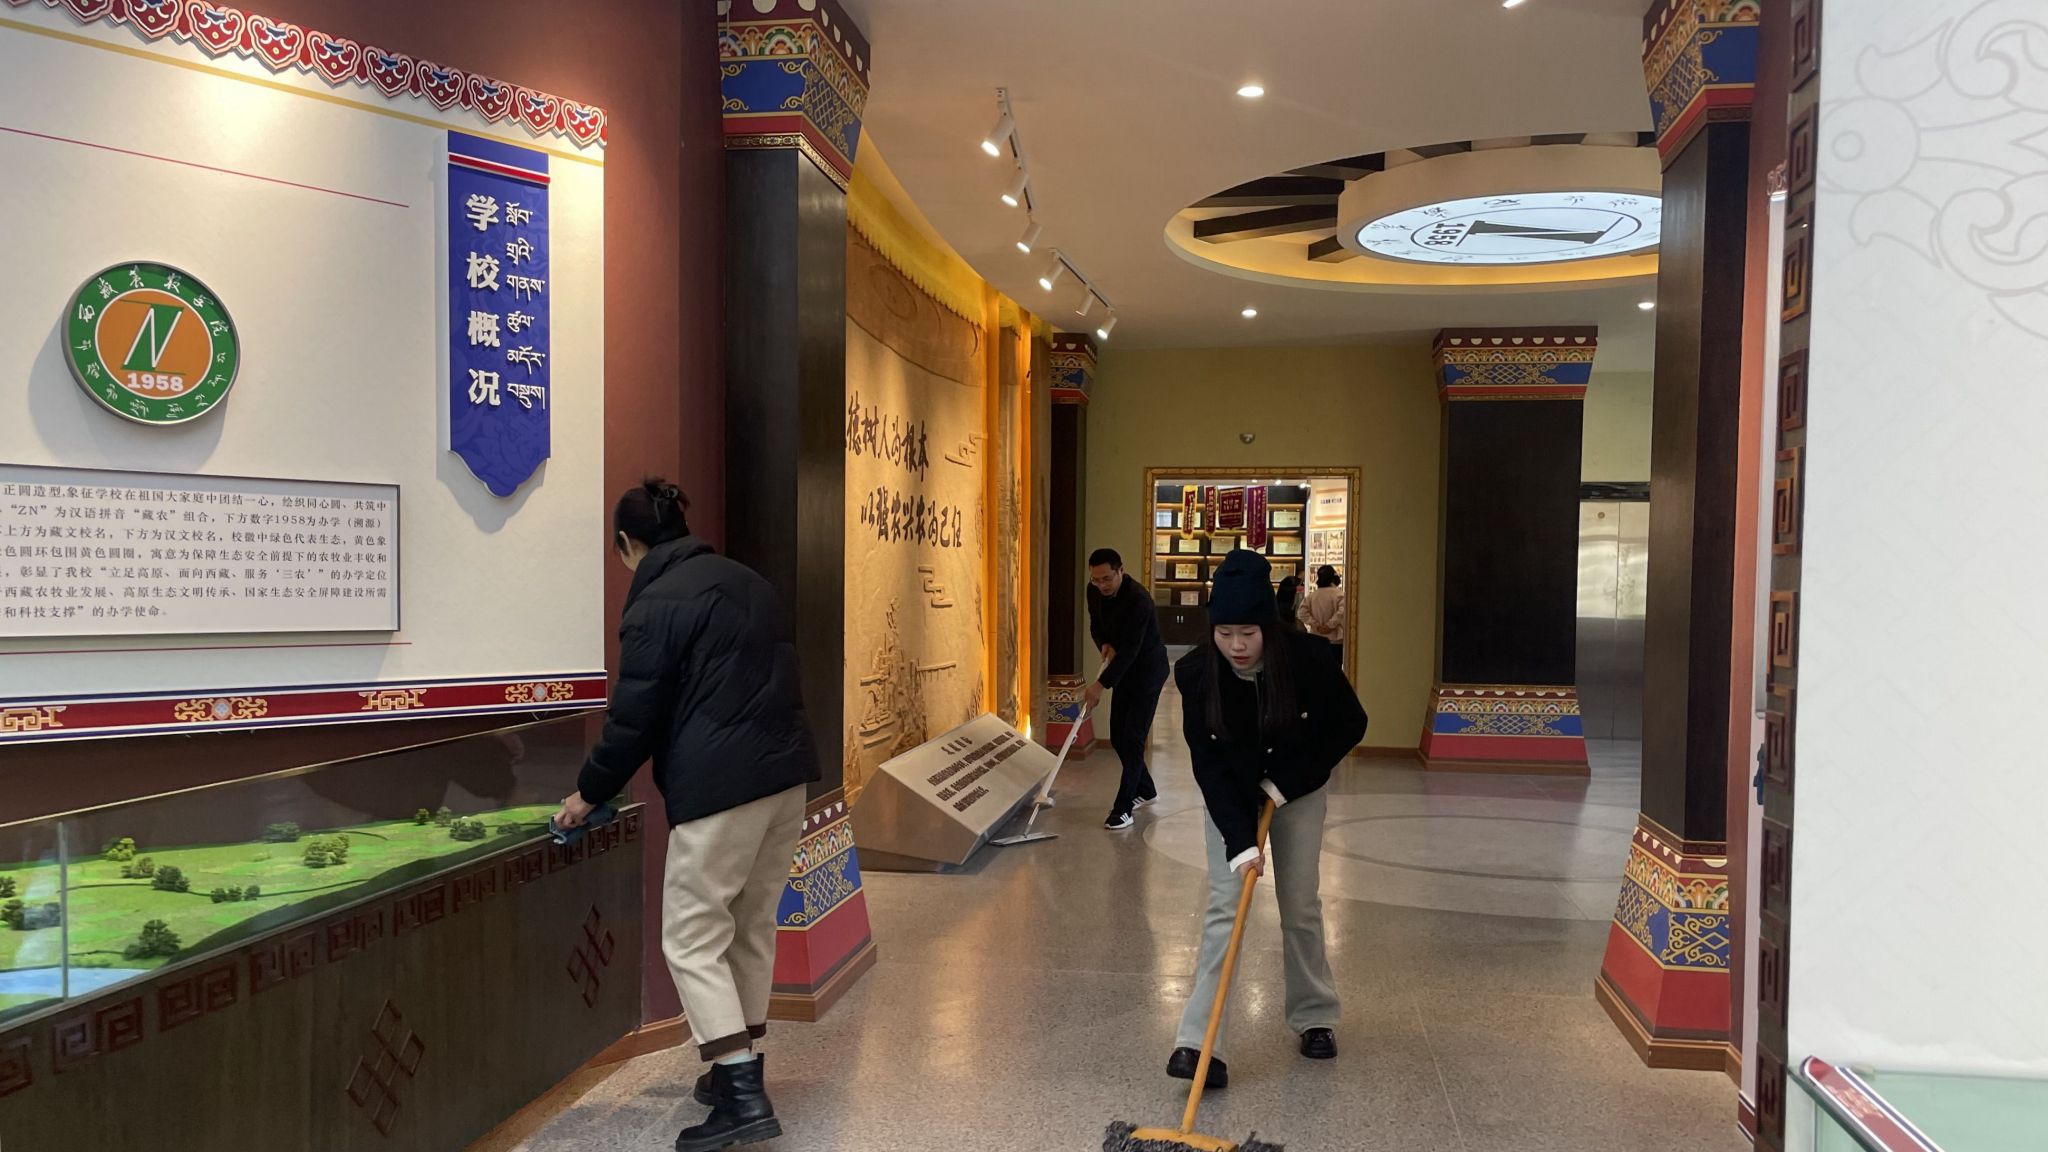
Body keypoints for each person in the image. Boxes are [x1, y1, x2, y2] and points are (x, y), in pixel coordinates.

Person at [555, 478, 818, 1152]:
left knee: (692, 937)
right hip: (786, 778)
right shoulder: (747, 581)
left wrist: (588, 792)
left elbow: (633, 718)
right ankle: (739, 1066)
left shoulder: (656, 603)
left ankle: (741, 1097)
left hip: (720, 790)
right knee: (751, 926)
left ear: (626, 544)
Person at [1167, 550, 1367, 1088]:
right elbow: (1208, 763)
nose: (1236, 645)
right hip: (1233, 796)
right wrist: (1240, 841)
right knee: (1225, 908)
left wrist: (1285, 783)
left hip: (1297, 791)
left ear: (1268, 628)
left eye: (1247, 633)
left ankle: (1315, 1015)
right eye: (1224, 633)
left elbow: (1349, 724)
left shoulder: (1308, 659)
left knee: (1299, 904)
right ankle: (1202, 1042)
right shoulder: (1195, 672)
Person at [1085, 547, 1170, 831]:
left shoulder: (1139, 600)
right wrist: (1104, 643)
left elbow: (1133, 649)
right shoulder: (1093, 591)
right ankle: (1146, 789)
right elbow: (1096, 624)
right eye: (1096, 579)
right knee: (1118, 737)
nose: (1102, 585)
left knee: (1133, 739)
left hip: (1148, 672)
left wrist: (1100, 685)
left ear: (1121, 570)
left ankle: (1123, 809)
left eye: (1107, 578)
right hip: (1124, 671)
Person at [1301, 564, 1347, 668]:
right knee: (1335, 669)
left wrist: (1316, 625)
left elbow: (1302, 613)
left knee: (1318, 669)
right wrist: (1330, 625)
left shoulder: (1312, 596)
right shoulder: (1340, 595)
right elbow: (1342, 612)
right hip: (1336, 639)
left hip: (1316, 638)